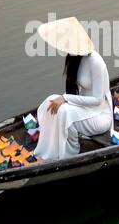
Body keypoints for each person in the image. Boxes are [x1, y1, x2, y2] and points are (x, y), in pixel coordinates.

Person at [32, 17, 112, 161]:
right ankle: (50, 148)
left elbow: (97, 100)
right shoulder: (75, 58)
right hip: (84, 107)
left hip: (100, 113)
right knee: (48, 102)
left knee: (65, 112)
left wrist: (66, 98)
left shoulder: (96, 62)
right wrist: (64, 98)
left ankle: (69, 156)